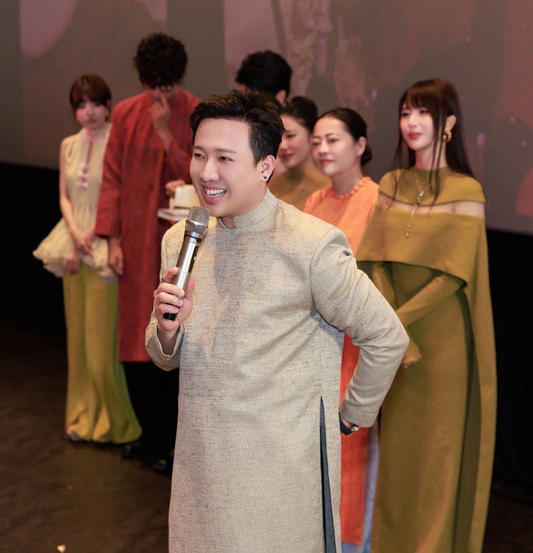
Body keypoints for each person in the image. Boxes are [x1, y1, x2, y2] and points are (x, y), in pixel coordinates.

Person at [146, 91, 408, 553]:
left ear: (265, 166)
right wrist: (167, 330)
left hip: (278, 479)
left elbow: (386, 335)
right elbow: (165, 357)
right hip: (199, 468)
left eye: (225, 158)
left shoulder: (310, 245)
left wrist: (351, 416)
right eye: (200, 155)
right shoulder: (182, 240)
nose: (207, 173)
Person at [355, 78, 497, 553]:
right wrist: (394, 333)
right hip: (399, 347)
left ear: (448, 122)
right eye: (405, 112)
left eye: (423, 113)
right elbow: (375, 261)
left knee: (437, 460)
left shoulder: (467, 189)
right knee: (398, 459)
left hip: (441, 347)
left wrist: (394, 328)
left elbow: (452, 276)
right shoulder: (391, 183)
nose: (412, 122)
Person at [95, 33, 199, 473]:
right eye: (152, 85)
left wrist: (165, 134)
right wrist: (111, 239)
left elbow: (197, 175)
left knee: (171, 334)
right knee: (132, 339)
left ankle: (173, 443)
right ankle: (148, 435)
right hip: (136, 241)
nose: (159, 94)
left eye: (167, 86)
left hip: (177, 243)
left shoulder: (195, 111)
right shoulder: (124, 112)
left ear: (179, 79)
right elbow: (112, 178)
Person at [33, 75, 141, 444]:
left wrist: (90, 238)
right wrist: (75, 238)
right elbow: (64, 197)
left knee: (101, 345)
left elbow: (119, 197)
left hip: (104, 244)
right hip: (70, 245)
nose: (89, 112)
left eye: (95, 103)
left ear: (108, 105)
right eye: (81, 105)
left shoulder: (117, 140)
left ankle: (114, 422)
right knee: (78, 341)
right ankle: (81, 417)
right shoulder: (68, 145)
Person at [304, 107, 379, 552]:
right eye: (316, 141)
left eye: (333, 140)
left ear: (360, 145)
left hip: (356, 345)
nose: (322, 149)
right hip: (315, 344)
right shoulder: (314, 202)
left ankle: (352, 544)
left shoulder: (378, 202)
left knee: (351, 450)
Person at [268, 96, 330, 210]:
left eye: (290, 136)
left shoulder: (329, 186)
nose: (282, 145)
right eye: (278, 138)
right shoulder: (274, 184)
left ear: (312, 135)